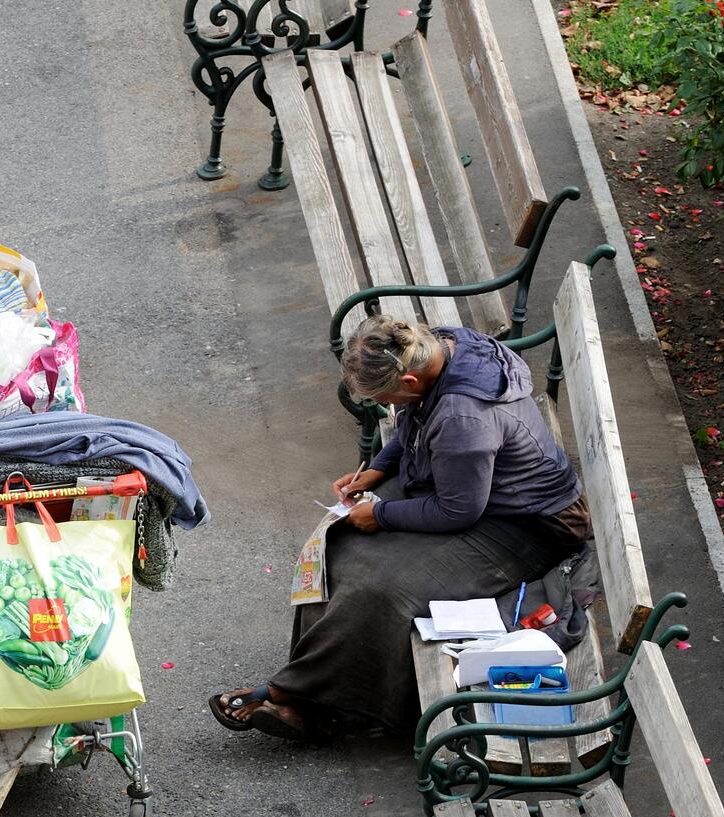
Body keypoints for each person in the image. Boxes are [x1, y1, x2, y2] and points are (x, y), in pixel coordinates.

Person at [210, 316, 592, 742]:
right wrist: (377, 470)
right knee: (338, 542)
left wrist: (382, 515)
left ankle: (320, 704)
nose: (392, 406)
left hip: (526, 525)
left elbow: (457, 511)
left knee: (383, 590)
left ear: (409, 378)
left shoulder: (465, 420)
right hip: (468, 491)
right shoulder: (443, 346)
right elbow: (415, 420)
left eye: (387, 397)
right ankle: (307, 695)